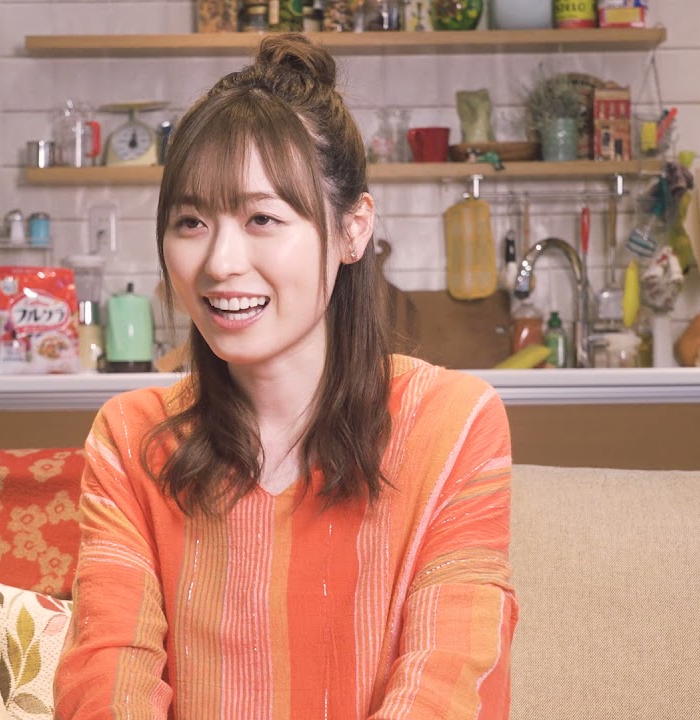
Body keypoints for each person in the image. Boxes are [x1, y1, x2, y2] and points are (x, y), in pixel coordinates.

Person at [54, 32, 517, 719]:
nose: (220, 263)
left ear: (353, 229)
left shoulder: (452, 424)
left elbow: (448, 683)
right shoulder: (131, 439)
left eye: (262, 218)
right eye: (191, 221)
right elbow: (107, 680)